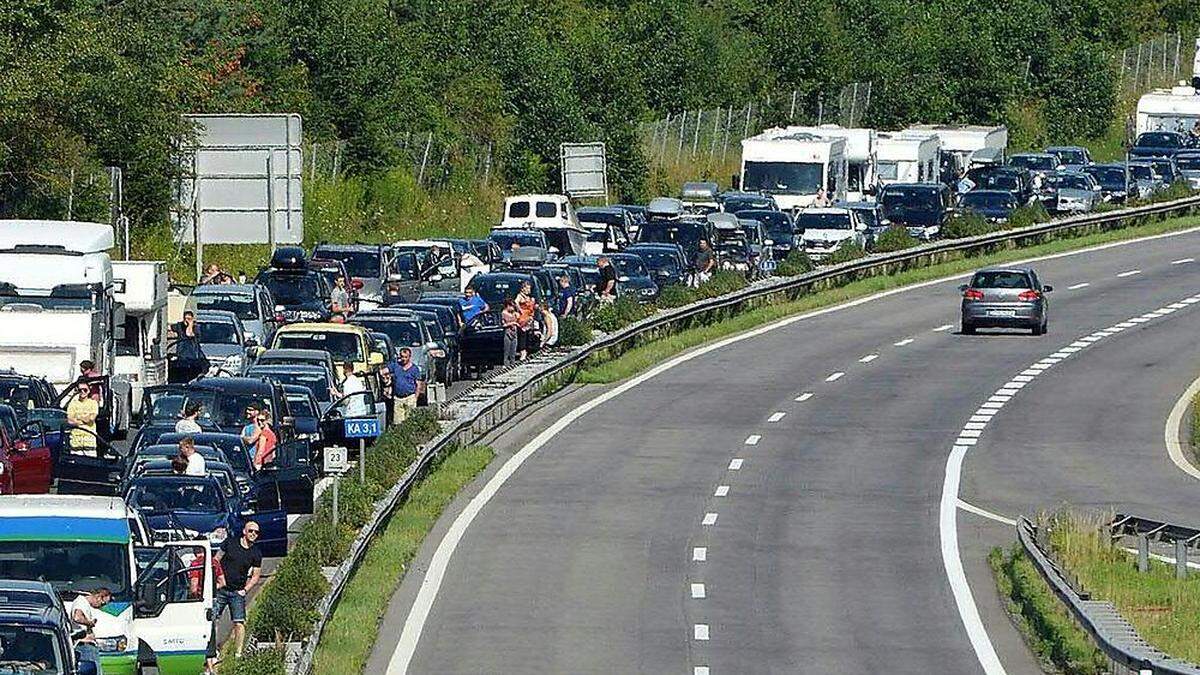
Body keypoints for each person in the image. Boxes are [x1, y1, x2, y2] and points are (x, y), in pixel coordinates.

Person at [210, 522, 262, 665]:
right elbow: (215, 560)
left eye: (256, 532)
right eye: (251, 531)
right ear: (244, 531)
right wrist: (217, 581)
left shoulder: (256, 553)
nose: (253, 534)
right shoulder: (230, 543)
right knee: (213, 619)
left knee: (239, 622)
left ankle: (238, 654)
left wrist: (245, 590)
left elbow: (256, 575)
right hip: (221, 590)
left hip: (237, 592)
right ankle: (212, 651)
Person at [70, 588, 112, 675]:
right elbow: (77, 617)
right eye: (102, 603)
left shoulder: (83, 603)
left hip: (87, 646)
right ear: (98, 597)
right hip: (85, 646)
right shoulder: (81, 602)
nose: (101, 606)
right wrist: (90, 623)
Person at [387, 348, 424, 423]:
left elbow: (418, 384)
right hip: (398, 398)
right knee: (397, 422)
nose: (403, 359)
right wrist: (386, 381)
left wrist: (415, 398)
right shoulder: (396, 366)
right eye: (401, 356)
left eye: (405, 357)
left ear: (409, 357)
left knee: (410, 421)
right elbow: (383, 372)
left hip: (410, 397)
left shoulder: (414, 369)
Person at [65, 382, 99, 454]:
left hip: (89, 442)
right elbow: (70, 420)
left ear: (89, 390)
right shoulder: (73, 404)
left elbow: (91, 418)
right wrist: (85, 418)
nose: (82, 392)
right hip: (76, 443)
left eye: (85, 390)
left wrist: (77, 417)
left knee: (91, 463)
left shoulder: (93, 403)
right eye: (80, 390)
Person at [515, 281, 536, 360]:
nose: (529, 290)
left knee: (528, 335)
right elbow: (516, 302)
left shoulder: (529, 297)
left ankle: (528, 350)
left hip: (529, 318)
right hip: (523, 318)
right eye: (527, 288)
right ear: (523, 289)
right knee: (522, 335)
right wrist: (519, 309)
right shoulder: (520, 296)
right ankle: (522, 351)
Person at [501, 300, 519, 366]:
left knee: (513, 351)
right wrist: (512, 323)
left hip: (514, 333)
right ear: (508, 306)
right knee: (507, 351)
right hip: (507, 333)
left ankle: (513, 363)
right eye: (512, 306)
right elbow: (503, 325)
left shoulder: (514, 313)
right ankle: (505, 364)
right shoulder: (504, 313)